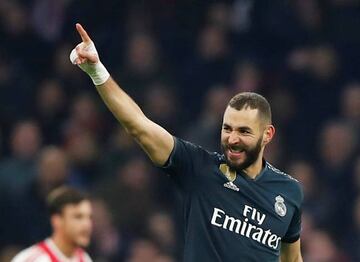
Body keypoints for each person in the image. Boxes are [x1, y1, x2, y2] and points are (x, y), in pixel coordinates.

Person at [70, 23, 303, 262]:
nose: (232, 139)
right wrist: (97, 70)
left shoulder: (289, 192)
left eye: (244, 131)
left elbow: (292, 260)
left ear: (267, 135)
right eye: (227, 129)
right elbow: (139, 126)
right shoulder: (200, 168)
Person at [11, 186, 93, 262]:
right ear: (57, 220)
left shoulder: (85, 259)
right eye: (78, 217)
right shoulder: (34, 259)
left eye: (89, 217)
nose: (87, 224)